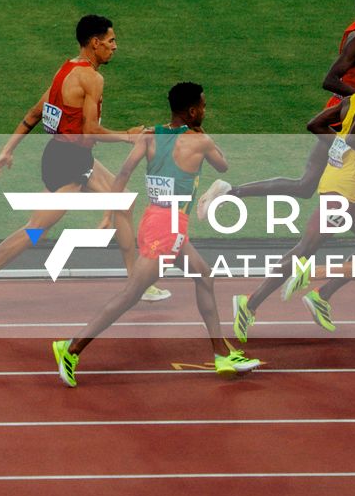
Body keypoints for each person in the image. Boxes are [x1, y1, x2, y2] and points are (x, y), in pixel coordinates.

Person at [52, 83, 259, 385]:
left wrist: (109, 212)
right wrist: (203, 133)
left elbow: (123, 174)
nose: (205, 110)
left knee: (204, 276)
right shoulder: (199, 141)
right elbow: (223, 166)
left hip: (156, 220)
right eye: (202, 106)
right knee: (131, 295)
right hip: (168, 228)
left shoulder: (150, 136)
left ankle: (221, 354)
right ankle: (71, 349)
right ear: (191, 111)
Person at [0, 15, 152, 322]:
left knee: (123, 200)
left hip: (69, 157)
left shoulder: (66, 71)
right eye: (111, 41)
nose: (116, 46)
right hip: (69, 163)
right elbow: (88, 130)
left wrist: (7, 151)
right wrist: (129, 136)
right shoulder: (92, 78)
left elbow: (34, 115)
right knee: (37, 230)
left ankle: (136, 282)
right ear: (95, 43)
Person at [229, 57, 355, 340]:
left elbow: (315, 124)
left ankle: (321, 295)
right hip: (342, 193)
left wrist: (341, 143)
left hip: (345, 189)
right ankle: (249, 304)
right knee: (305, 250)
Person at [233, 0, 355, 199]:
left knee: (305, 187)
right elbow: (330, 80)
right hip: (344, 123)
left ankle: (230, 192)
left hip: (349, 119)